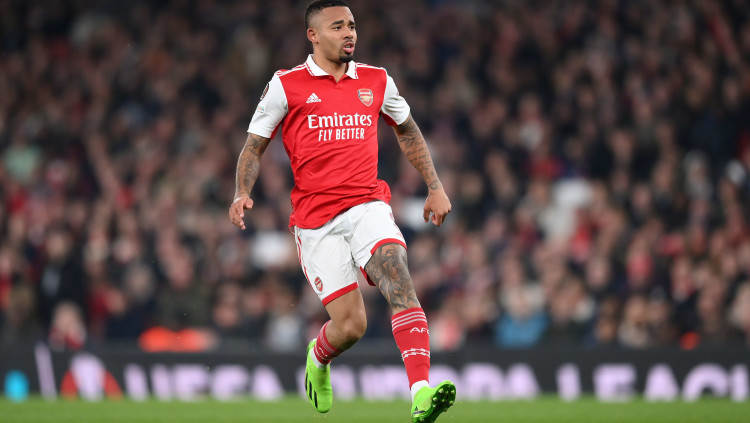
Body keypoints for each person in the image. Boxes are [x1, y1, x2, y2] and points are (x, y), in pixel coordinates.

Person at [228, 1, 455, 421]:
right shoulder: (286, 85)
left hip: (368, 204)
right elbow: (254, 146)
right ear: (313, 35)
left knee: (398, 278)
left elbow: (407, 130)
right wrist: (242, 191)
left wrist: (434, 186)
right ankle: (318, 357)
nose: (349, 33)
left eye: (352, 25)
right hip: (316, 222)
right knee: (352, 327)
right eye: (337, 26)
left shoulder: (377, 79)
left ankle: (421, 393)